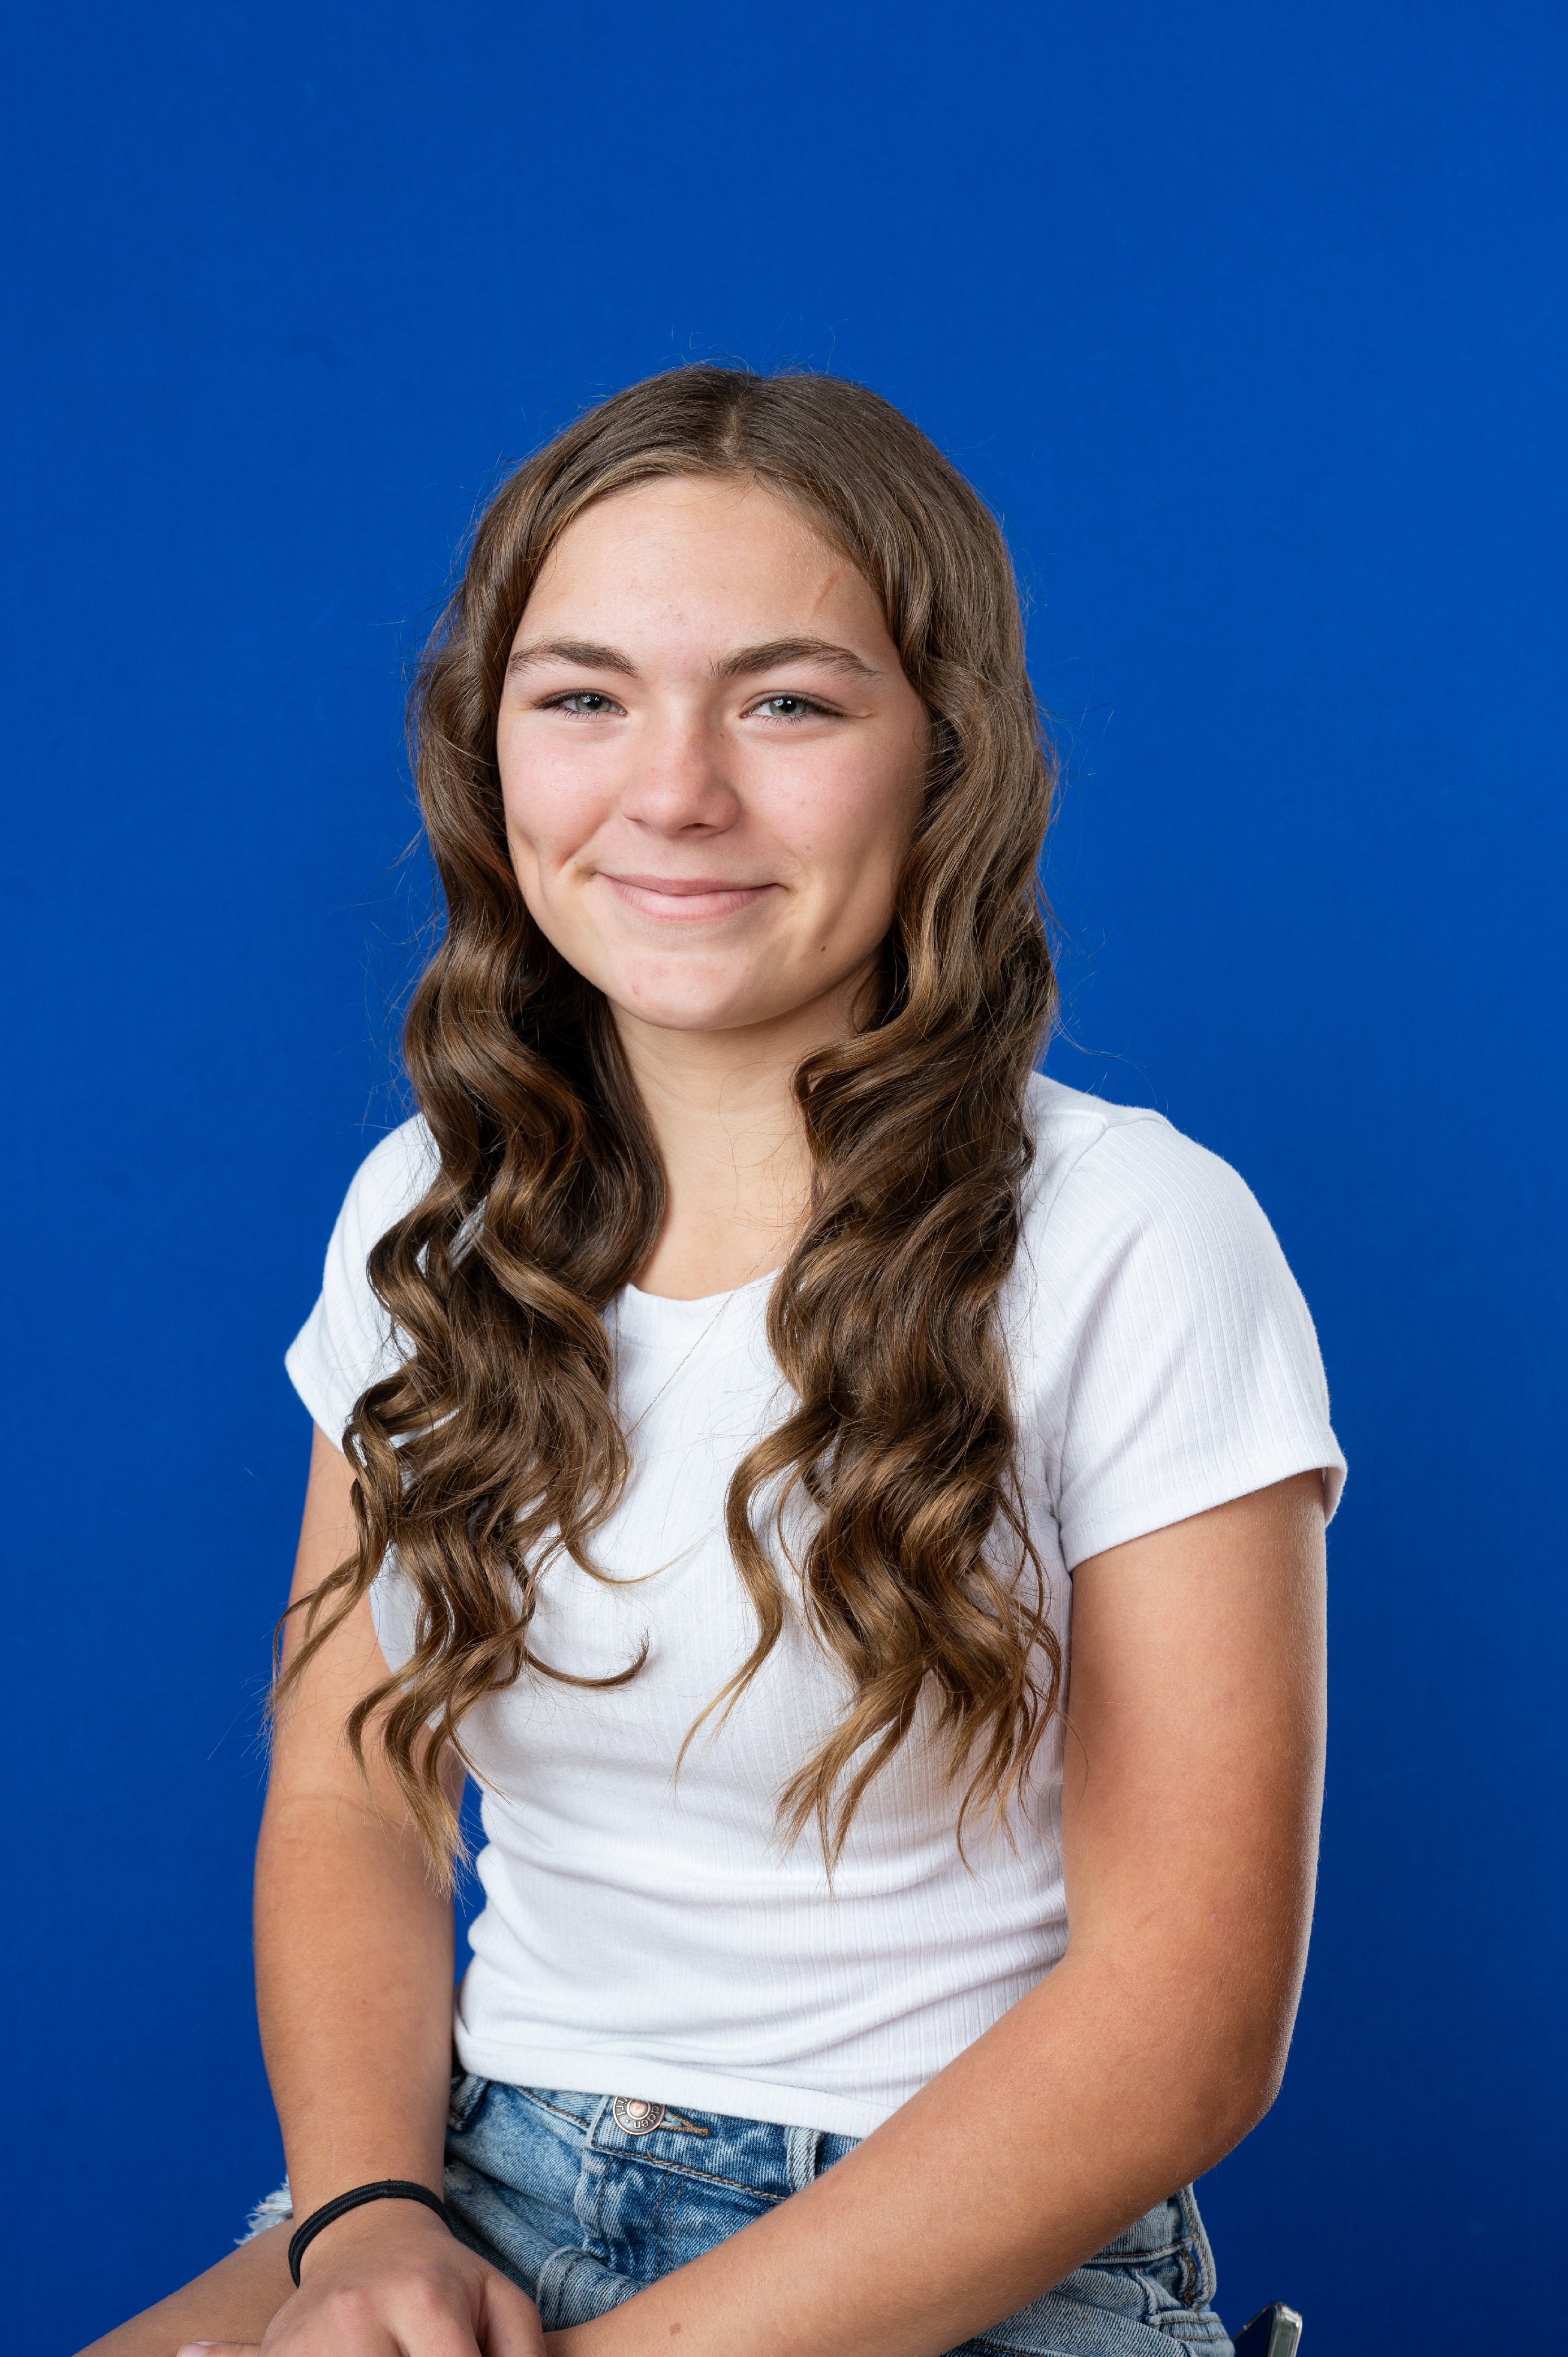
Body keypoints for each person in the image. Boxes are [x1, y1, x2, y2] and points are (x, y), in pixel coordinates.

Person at [85, 365, 1343, 2357]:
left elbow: (1183, 2022)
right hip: (476, 2173)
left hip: (955, 2245)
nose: (673, 792)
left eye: (789, 704)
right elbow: (352, 1798)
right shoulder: (430, 1209)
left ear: (946, 756)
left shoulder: (1136, 1236)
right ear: (488, 745)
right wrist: (370, 2223)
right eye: (584, 696)